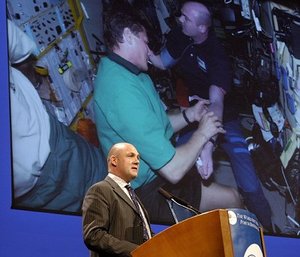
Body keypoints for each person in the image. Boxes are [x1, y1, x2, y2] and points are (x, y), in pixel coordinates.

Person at [93, 9, 242, 226]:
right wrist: (202, 134)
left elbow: (158, 126)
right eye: (145, 42)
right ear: (127, 36)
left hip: (158, 172)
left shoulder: (132, 74)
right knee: (233, 198)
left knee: (229, 197)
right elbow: (173, 170)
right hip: (146, 191)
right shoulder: (120, 91)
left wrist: (190, 115)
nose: (150, 49)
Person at [149, 1, 272, 230]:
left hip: (224, 117)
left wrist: (207, 144)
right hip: (195, 114)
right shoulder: (181, 35)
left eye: (186, 19)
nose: (180, 20)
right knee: (178, 159)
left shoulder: (217, 56)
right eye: (181, 16)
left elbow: (216, 103)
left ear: (202, 28)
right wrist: (139, 49)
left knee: (247, 176)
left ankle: (268, 228)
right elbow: (161, 61)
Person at [8, 19, 107, 213]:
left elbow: (20, 50)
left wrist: (32, 91)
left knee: (111, 192)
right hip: (29, 196)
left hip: (57, 147)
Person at [82, 142, 152, 257]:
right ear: (114, 160)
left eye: (138, 157)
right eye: (131, 156)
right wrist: (137, 251)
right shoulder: (100, 189)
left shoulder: (132, 195)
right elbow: (94, 236)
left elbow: (145, 233)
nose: (137, 161)